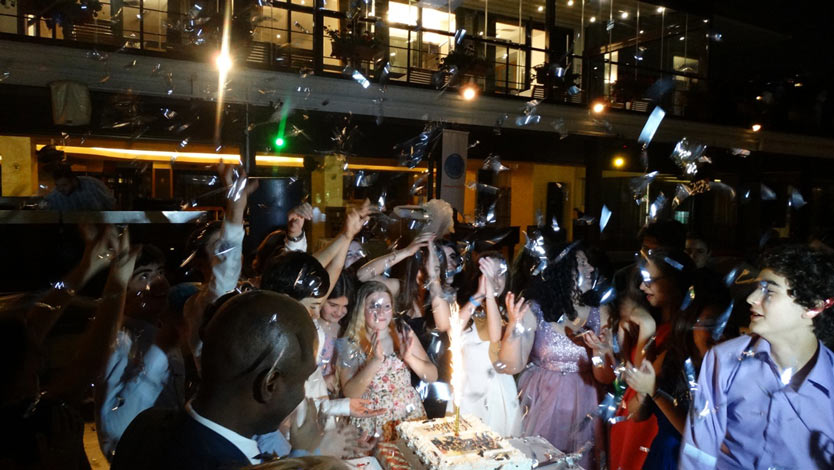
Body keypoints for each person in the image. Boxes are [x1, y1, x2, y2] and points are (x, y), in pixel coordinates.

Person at [111, 290, 320, 470]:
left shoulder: (146, 424)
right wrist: (306, 457)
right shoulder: (231, 465)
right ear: (269, 384)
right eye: (303, 380)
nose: (301, 395)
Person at [680, 244, 834, 469]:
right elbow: (698, 451)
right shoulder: (724, 360)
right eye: (756, 288)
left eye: (769, 291)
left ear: (813, 306)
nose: (751, 298)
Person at [0, 225, 139, 470]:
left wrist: (88, 265)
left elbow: (32, 325)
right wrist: (117, 282)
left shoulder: (12, 402)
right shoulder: (29, 421)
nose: (42, 355)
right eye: (34, 353)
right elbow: (87, 366)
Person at [499, 242, 614, 469]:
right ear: (562, 272)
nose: (591, 269)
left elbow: (606, 377)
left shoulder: (601, 312)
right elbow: (512, 365)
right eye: (582, 264)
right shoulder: (535, 310)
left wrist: (599, 352)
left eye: (589, 263)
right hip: (542, 401)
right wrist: (513, 326)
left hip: (587, 402)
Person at [624, 267, 730, 469]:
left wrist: (655, 392)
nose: (718, 334)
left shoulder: (730, 368)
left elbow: (700, 436)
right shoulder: (670, 359)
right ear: (690, 321)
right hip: (668, 459)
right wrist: (642, 393)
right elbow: (637, 415)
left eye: (723, 325)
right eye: (709, 324)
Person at [95, 244, 187, 460]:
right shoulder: (118, 344)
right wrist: (159, 354)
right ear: (120, 292)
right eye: (144, 276)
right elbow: (113, 427)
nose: (159, 283)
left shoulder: (159, 331)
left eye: (160, 272)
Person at [609, 249, 695, 470]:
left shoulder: (683, 334)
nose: (642, 287)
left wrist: (647, 329)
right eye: (642, 280)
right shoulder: (652, 318)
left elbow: (644, 375)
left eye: (650, 280)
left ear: (675, 281)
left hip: (653, 426)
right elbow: (626, 373)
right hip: (632, 410)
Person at [434, 251, 521, 437]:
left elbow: (495, 336)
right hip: (467, 389)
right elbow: (453, 331)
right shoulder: (467, 305)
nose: (495, 279)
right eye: (489, 273)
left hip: (495, 391)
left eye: (500, 274)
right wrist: (479, 295)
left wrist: (489, 296)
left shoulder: (511, 310)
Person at [338, 281, 438, 441]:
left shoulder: (401, 330)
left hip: (408, 414)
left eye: (386, 306)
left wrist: (410, 358)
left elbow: (432, 376)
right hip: (372, 419)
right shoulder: (348, 343)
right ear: (361, 309)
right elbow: (350, 393)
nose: (381, 312)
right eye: (374, 306)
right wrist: (376, 361)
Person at [43, 164, 116, 211]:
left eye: (64, 185)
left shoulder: (93, 185)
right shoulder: (56, 194)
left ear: (74, 181)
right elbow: (45, 205)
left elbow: (111, 205)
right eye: (57, 185)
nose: (60, 189)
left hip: (98, 226)